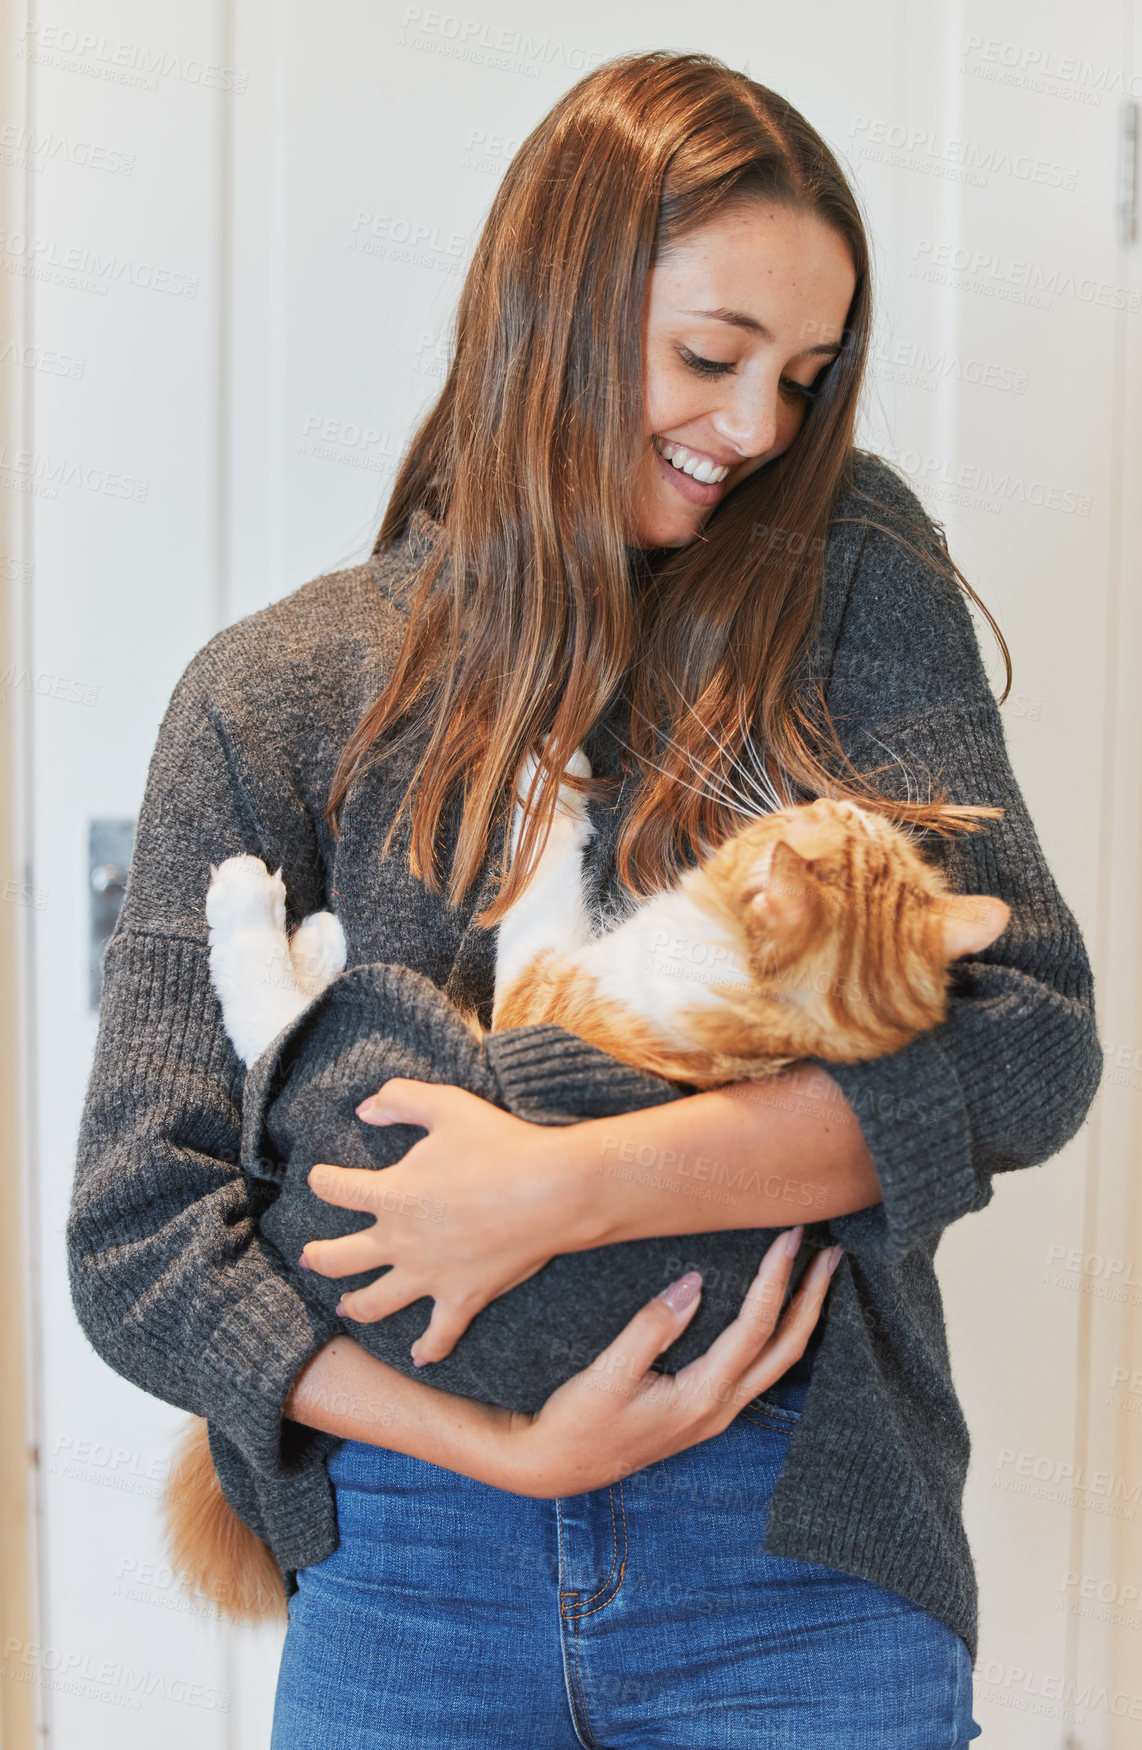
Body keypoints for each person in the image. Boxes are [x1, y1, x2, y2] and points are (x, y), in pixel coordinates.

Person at [68, 50, 1101, 1749]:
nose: (757, 427)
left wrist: (565, 1189)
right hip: (408, 1555)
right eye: (709, 356)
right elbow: (139, 1236)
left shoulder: (840, 581)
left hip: (797, 1546)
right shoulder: (274, 698)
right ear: (551, 310)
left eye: (803, 373)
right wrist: (505, 1447)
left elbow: (1026, 1043)